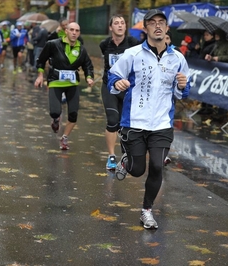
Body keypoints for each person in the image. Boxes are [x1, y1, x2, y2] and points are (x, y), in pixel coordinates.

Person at [108, 9, 190, 229]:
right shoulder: (133, 54)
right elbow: (113, 76)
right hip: (134, 121)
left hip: (162, 124)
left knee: (156, 166)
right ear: (145, 28)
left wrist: (183, 86)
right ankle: (126, 161)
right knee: (137, 170)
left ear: (167, 27)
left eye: (161, 22)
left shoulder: (178, 58)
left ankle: (146, 210)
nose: (157, 26)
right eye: (152, 22)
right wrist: (117, 83)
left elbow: (183, 92)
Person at [34, 22, 94, 150]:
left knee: (73, 114)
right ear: (65, 31)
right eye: (71, 30)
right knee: (55, 111)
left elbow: (87, 65)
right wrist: (40, 76)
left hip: (72, 83)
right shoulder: (53, 44)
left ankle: (65, 137)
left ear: (79, 33)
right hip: (56, 80)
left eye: (77, 31)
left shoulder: (81, 48)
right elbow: (41, 60)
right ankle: (56, 119)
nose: (74, 33)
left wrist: (89, 77)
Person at [99, 14, 139, 170]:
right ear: (111, 27)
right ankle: (111, 156)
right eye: (116, 23)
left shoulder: (133, 43)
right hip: (109, 86)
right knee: (112, 120)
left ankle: (125, 153)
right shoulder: (104, 44)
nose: (120, 25)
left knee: (124, 124)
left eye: (122, 23)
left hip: (127, 87)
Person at [204, 29, 228, 121]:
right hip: (217, 71)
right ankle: (218, 111)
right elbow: (214, 55)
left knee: (223, 92)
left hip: (225, 72)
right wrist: (211, 57)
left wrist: (219, 58)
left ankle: (222, 113)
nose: (216, 36)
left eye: (218, 34)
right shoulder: (216, 45)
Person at [197, 30, 216, 115]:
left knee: (208, 87)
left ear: (212, 36)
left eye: (207, 35)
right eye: (204, 35)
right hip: (203, 68)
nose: (205, 36)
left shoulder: (214, 45)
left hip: (209, 70)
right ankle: (203, 105)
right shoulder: (205, 44)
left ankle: (209, 107)